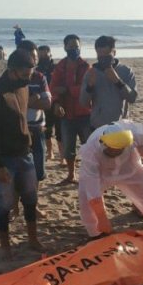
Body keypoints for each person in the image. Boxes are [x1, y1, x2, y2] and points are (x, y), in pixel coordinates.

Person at [0, 49, 45, 260]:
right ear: (11, 70)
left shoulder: (24, 86)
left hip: (25, 154)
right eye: (24, 75)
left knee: (30, 199)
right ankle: (5, 247)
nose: (28, 79)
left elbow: (23, 117)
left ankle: (33, 240)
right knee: (5, 204)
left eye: (30, 74)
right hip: (4, 158)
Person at [78, 120, 143, 239]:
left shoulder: (135, 132)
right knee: (86, 198)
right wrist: (102, 218)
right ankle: (97, 233)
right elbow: (93, 190)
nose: (115, 152)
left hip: (128, 165)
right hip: (102, 170)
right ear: (103, 143)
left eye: (118, 149)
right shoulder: (91, 151)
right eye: (112, 150)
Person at [50, 34, 91, 184]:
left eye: (76, 46)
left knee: (88, 147)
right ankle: (71, 174)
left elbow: (86, 89)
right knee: (68, 148)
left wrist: (67, 90)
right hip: (66, 114)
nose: (74, 49)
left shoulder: (86, 67)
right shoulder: (60, 67)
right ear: (65, 47)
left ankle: (88, 175)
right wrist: (56, 103)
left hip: (84, 113)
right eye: (71, 46)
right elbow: (53, 88)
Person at [17, 40, 52, 215]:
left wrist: (31, 101)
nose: (33, 61)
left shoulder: (39, 77)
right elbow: (12, 105)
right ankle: (15, 207)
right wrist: (32, 100)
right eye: (29, 57)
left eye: (35, 58)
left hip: (37, 129)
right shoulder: (11, 77)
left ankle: (33, 205)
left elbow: (47, 103)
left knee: (37, 171)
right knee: (17, 170)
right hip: (17, 129)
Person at [80, 35, 138, 130]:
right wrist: (90, 87)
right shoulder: (91, 73)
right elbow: (83, 103)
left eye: (106, 54)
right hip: (98, 126)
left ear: (114, 52)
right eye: (100, 55)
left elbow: (132, 98)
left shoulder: (126, 71)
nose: (103, 58)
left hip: (120, 126)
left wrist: (118, 81)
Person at [37, 45, 60, 161]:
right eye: (40, 54)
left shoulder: (56, 68)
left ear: (50, 53)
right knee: (47, 129)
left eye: (45, 53)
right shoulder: (37, 69)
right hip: (43, 101)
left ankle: (62, 156)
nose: (43, 56)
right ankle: (50, 152)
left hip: (57, 101)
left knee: (60, 129)